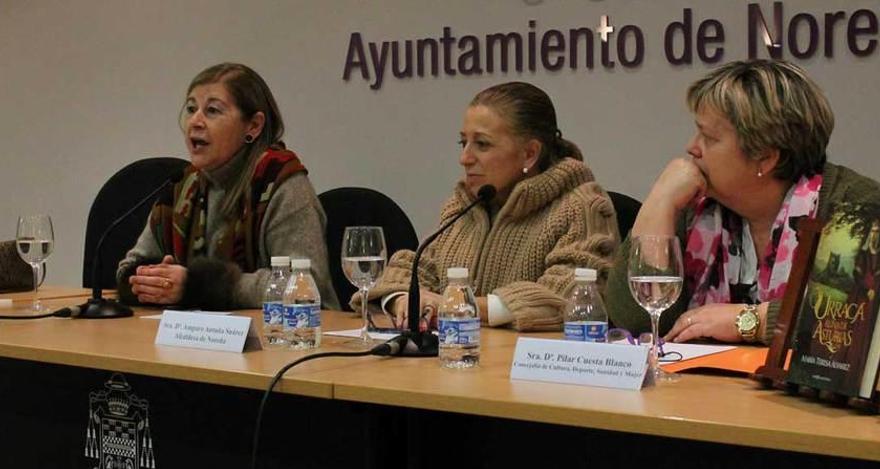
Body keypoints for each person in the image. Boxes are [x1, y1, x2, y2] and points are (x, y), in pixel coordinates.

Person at [606, 59, 880, 345]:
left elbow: (855, 322)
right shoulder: (693, 205)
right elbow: (637, 321)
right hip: (708, 388)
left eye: (709, 138)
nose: (692, 147)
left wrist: (751, 321)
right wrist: (660, 199)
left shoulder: (852, 207)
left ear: (765, 157)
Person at [352, 82, 619, 331]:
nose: (464, 158)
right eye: (463, 142)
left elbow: (570, 295)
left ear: (530, 153)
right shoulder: (463, 205)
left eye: (482, 144)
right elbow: (415, 269)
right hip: (456, 363)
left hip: (532, 374)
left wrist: (460, 306)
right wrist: (405, 300)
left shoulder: (581, 206)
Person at [117, 63, 339, 310]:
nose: (195, 121)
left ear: (253, 126)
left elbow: (306, 286)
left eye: (212, 111)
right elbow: (131, 266)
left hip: (288, 338)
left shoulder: (281, 184)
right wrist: (151, 282)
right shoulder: (183, 187)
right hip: (196, 340)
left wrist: (201, 286)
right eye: (191, 109)